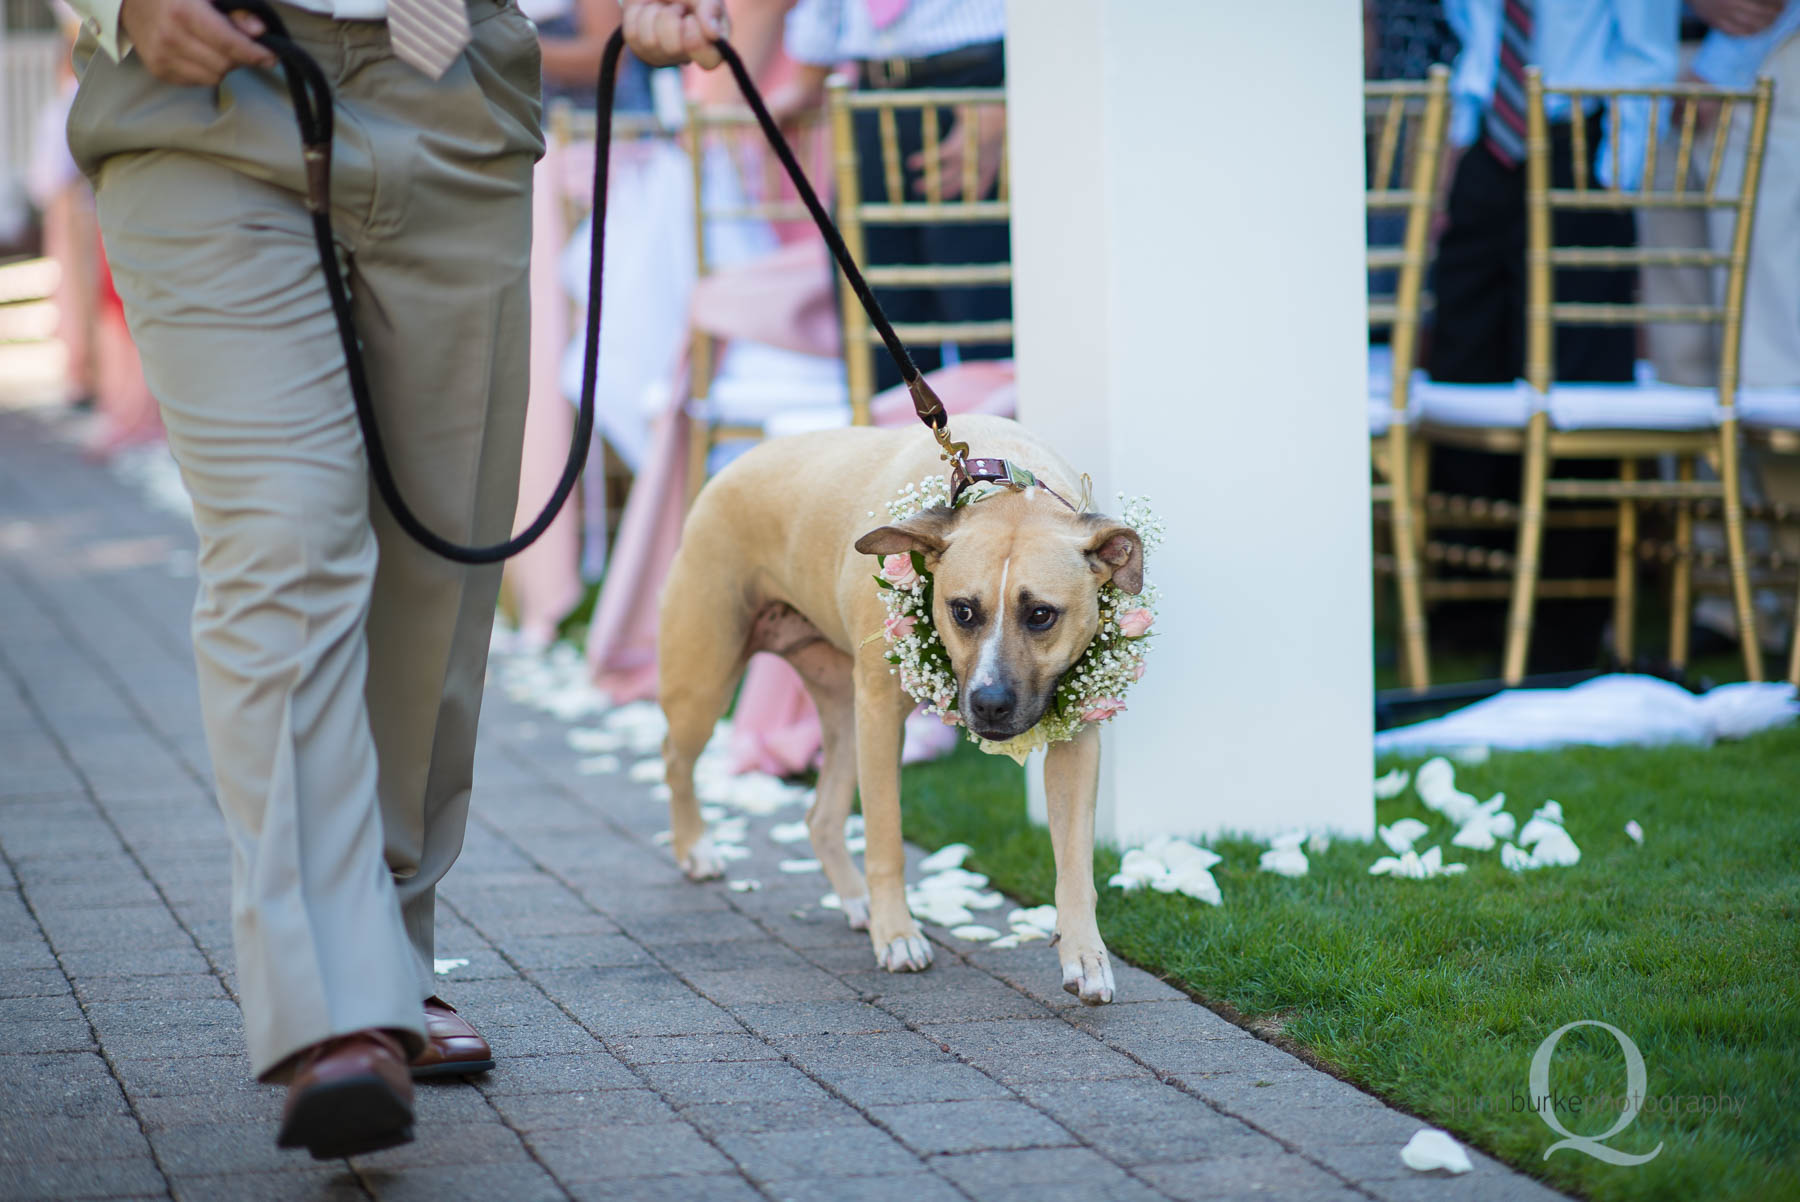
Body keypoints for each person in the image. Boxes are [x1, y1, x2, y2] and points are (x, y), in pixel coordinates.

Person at [62, 0, 725, 1161]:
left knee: (435, 569)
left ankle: (392, 949)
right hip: (208, 80)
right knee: (289, 538)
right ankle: (337, 1007)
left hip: (446, 64)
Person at [1427, 0, 1679, 670]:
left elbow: (1649, 49)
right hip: (1491, 147)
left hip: (1582, 143)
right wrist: (1461, 146)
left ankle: (1566, 625)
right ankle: (1472, 607)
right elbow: (1477, 41)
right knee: (1462, 363)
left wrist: (1610, 177)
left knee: (1578, 381)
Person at [769, 0, 1009, 393]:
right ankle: (896, 450)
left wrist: (1008, 87)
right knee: (878, 331)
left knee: (985, 322)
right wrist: (808, 70)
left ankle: (999, 451)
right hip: (869, 88)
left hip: (977, 79)